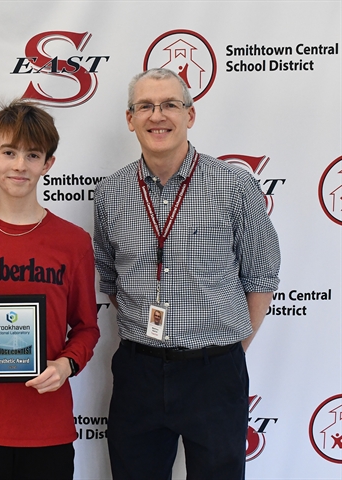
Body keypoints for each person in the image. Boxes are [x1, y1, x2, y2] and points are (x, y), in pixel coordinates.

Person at [93, 68, 280, 480]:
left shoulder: (233, 185)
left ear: (190, 115)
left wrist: (229, 347)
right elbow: (110, 278)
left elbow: (262, 276)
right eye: (145, 106)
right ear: (130, 119)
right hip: (137, 372)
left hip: (214, 372)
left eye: (169, 105)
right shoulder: (111, 192)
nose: (157, 116)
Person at [0, 100, 100, 480]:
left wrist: (67, 364)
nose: (19, 165)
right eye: (9, 152)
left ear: (48, 164)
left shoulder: (73, 242)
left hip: (47, 427)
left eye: (32, 155)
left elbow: (88, 328)